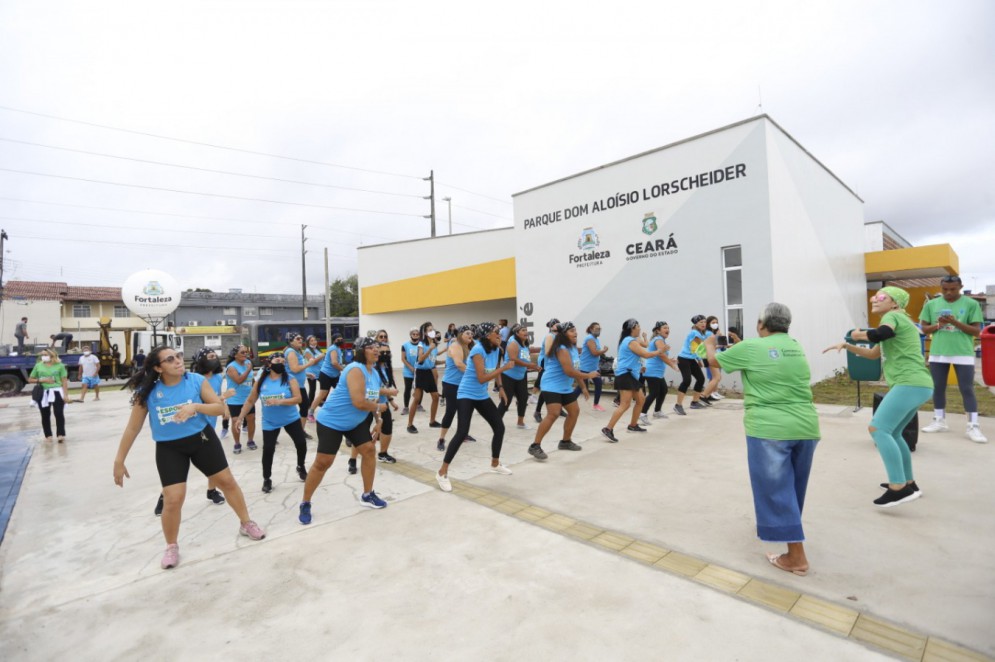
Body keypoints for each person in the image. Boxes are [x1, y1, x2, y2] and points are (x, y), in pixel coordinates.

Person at [113, 347, 265, 570]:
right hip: (169, 448)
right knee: (173, 498)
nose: (177, 361)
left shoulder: (194, 380)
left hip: (202, 440)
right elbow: (133, 428)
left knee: (227, 482)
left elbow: (219, 409)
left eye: (178, 356)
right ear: (158, 367)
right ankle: (171, 546)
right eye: (170, 359)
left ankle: (246, 523)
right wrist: (119, 460)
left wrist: (195, 407)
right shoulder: (148, 392)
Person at [704, 302, 820, 576]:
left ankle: (796, 557)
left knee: (776, 489)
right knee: (792, 487)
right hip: (806, 426)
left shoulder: (751, 347)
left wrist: (710, 343)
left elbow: (714, 361)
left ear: (760, 325)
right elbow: (770, 358)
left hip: (769, 429)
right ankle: (788, 531)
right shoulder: (795, 345)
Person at [825, 286, 932, 507]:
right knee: (894, 432)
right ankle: (909, 483)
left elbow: (881, 334)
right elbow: (874, 353)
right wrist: (848, 345)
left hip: (909, 383)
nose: (875, 298)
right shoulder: (899, 322)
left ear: (895, 303)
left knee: (878, 429)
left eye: (882, 296)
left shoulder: (893, 317)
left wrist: (856, 334)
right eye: (875, 295)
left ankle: (898, 487)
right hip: (917, 384)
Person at [299, 337, 392, 524]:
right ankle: (305, 502)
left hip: (355, 421)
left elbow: (373, 397)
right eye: (371, 347)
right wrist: (379, 410)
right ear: (360, 350)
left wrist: (378, 420)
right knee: (323, 463)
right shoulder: (355, 369)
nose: (377, 350)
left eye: (377, 348)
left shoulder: (373, 372)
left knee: (368, 450)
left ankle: (367, 494)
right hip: (332, 421)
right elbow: (359, 402)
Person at [435, 323, 513, 492]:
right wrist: (506, 368)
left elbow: (496, 370)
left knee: (499, 427)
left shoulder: (496, 349)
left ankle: (495, 463)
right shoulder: (478, 350)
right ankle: (442, 472)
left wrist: (501, 388)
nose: (499, 335)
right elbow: (482, 378)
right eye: (496, 332)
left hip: (481, 395)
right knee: (462, 431)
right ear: (486, 336)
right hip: (466, 393)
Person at [919, 275, 986, 443]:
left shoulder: (971, 304)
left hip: (962, 352)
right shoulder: (932, 304)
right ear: (941, 288)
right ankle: (939, 420)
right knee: (938, 387)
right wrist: (939, 325)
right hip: (938, 352)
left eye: (953, 289)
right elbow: (924, 329)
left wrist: (955, 322)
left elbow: (977, 331)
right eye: (945, 289)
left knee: (966, 388)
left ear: (961, 287)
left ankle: (973, 425)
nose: (948, 293)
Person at [236, 353, 309, 493]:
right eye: (277, 361)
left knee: (301, 443)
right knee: (268, 449)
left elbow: (298, 399)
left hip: (290, 419)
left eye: (283, 361)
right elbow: (250, 401)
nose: (281, 363)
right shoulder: (261, 381)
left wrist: (279, 401)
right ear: (269, 364)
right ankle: (267, 479)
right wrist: (240, 417)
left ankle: (301, 466)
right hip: (270, 422)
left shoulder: (290, 379)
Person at [529, 322, 599, 460]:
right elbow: (569, 371)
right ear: (564, 334)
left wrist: (583, 387)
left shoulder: (572, 348)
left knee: (574, 412)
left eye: (575, 330)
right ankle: (535, 446)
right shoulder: (561, 348)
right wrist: (588, 376)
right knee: (553, 414)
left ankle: (565, 442)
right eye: (572, 331)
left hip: (565, 387)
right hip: (551, 385)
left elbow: (576, 369)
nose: (576, 333)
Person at [602, 319, 663, 442]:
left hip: (630, 375)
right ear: (632, 328)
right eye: (638, 326)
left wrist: (640, 367)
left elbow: (633, 357)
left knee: (641, 399)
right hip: (625, 375)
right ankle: (608, 428)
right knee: (625, 404)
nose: (640, 328)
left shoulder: (631, 340)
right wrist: (660, 351)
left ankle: (633, 425)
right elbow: (646, 354)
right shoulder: (630, 341)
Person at [437, 325, 473, 452]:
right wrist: (475, 375)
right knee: (451, 411)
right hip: (451, 384)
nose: (470, 335)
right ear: (460, 335)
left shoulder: (466, 347)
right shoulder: (455, 346)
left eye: (471, 333)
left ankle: (462, 434)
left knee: (464, 410)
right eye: (467, 333)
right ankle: (441, 439)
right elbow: (459, 364)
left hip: (463, 383)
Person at [498, 323, 540, 431]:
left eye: (526, 330)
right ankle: (496, 422)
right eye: (523, 330)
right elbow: (513, 359)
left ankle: (520, 422)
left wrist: (532, 364)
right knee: (506, 401)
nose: (526, 332)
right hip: (509, 375)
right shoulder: (513, 343)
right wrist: (530, 365)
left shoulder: (524, 343)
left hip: (520, 375)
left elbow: (524, 357)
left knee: (523, 399)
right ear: (517, 333)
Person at [640, 322, 679, 424]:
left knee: (663, 390)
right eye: (665, 328)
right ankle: (642, 414)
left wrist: (670, 360)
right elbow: (661, 355)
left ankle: (657, 411)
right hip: (652, 371)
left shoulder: (660, 340)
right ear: (658, 330)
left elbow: (659, 355)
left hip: (657, 371)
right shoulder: (658, 339)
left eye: (668, 328)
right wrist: (672, 365)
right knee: (654, 392)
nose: (667, 330)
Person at [406, 321, 442, 433]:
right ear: (425, 333)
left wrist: (447, 361)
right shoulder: (422, 344)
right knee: (417, 399)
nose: (432, 331)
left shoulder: (434, 345)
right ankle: (409, 425)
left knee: (436, 397)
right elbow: (421, 359)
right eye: (430, 330)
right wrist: (430, 349)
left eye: (433, 329)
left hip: (429, 372)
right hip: (420, 372)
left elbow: (433, 361)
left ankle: (432, 421)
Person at [28, 348, 69, 443]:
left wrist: (66, 395)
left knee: (59, 413)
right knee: (45, 414)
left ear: (52, 356)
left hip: (57, 391)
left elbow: (64, 381)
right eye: (42, 355)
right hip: (43, 392)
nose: (43, 357)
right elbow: (30, 379)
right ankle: (48, 435)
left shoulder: (60, 366)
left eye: (45, 354)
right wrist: (42, 380)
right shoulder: (38, 365)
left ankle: (60, 434)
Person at [673, 315, 710, 415]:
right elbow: (701, 345)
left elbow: (695, 349)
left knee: (701, 379)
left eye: (704, 322)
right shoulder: (695, 333)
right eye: (701, 322)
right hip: (683, 359)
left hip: (691, 359)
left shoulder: (700, 334)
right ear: (696, 324)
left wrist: (698, 359)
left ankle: (695, 402)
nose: (703, 324)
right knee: (687, 380)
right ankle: (678, 405)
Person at [225, 345, 258, 454]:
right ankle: (237, 443)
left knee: (251, 419)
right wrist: (249, 369)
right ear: (235, 355)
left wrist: (255, 391)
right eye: (242, 352)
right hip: (235, 399)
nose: (245, 354)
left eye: (246, 352)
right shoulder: (231, 367)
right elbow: (239, 380)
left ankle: (250, 440)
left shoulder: (247, 363)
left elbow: (252, 380)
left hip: (248, 398)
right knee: (235, 421)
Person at [284, 334, 319, 436]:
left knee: (302, 407)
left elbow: (292, 368)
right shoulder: (291, 352)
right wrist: (309, 364)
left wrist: (306, 373)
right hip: (294, 385)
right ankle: (300, 431)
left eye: (301, 338)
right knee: (303, 407)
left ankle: (300, 431)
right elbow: (294, 369)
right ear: (291, 341)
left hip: (298, 384)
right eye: (298, 339)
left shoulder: (296, 351)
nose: (301, 340)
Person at [700, 316, 741, 403]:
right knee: (715, 377)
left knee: (717, 377)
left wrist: (725, 342)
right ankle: (705, 395)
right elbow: (709, 345)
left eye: (716, 322)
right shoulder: (708, 333)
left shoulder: (715, 333)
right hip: (711, 356)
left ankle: (707, 395)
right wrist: (717, 337)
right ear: (708, 324)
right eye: (713, 322)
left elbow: (722, 345)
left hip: (717, 356)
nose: (715, 324)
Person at [574, 322, 609, 411]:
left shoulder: (595, 339)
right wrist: (604, 350)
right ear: (591, 329)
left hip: (594, 368)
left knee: (599, 384)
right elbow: (594, 353)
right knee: (581, 387)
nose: (598, 330)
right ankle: (569, 402)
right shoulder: (589, 338)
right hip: (585, 367)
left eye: (599, 329)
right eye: (596, 329)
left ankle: (596, 404)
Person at [309, 334, 346, 419]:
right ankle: (311, 412)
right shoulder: (333, 348)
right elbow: (334, 363)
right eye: (338, 339)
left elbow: (338, 362)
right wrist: (344, 369)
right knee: (323, 394)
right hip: (326, 374)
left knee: (342, 391)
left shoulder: (338, 349)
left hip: (335, 375)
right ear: (334, 340)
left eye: (341, 339)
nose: (340, 340)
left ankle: (339, 410)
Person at [400, 328, 421, 416]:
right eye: (414, 334)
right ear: (410, 335)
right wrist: (410, 367)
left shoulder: (421, 345)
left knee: (419, 389)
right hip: (408, 371)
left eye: (417, 334)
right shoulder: (405, 345)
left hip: (419, 370)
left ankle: (418, 405)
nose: (415, 336)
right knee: (408, 389)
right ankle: (406, 407)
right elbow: (403, 358)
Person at [302, 335, 325, 416]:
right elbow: (313, 362)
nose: (314, 342)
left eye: (315, 340)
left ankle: (320, 402)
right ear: (308, 343)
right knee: (312, 390)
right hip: (311, 373)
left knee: (325, 388)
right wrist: (320, 356)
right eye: (311, 341)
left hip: (320, 372)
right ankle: (309, 407)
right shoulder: (307, 351)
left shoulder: (318, 349)